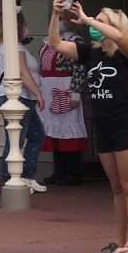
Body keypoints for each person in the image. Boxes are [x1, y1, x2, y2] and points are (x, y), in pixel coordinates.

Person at [48, 0, 128, 253]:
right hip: (102, 125)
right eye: (95, 21)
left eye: (102, 22)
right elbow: (55, 43)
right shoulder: (90, 52)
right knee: (115, 188)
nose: (94, 26)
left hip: (126, 123)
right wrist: (56, 15)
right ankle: (117, 243)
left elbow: (123, 40)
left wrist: (90, 19)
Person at [0, 16, 47, 193]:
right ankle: (11, 177)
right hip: (18, 96)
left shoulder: (0, 46)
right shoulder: (14, 47)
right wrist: (37, 93)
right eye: (25, 25)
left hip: (17, 96)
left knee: (33, 134)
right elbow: (23, 72)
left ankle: (26, 175)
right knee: (17, 138)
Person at [38, 22, 87, 186]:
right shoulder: (47, 43)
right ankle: (59, 172)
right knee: (54, 131)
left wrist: (76, 91)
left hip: (65, 86)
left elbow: (80, 67)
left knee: (69, 128)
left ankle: (73, 172)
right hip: (49, 89)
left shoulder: (74, 41)